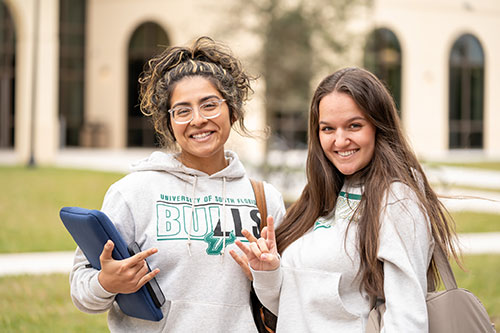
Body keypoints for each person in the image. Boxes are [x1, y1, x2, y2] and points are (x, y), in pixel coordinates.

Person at [69, 36, 285, 332]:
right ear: (169, 122)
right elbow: (82, 293)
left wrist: (270, 277)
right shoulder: (133, 192)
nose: (197, 119)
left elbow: (288, 299)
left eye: (209, 105)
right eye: (182, 110)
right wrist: (107, 282)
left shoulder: (265, 199)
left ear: (232, 110)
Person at [235, 67, 461, 332]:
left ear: (378, 126)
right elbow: (294, 308)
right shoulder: (320, 194)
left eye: (354, 125)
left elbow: (407, 319)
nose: (340, 141)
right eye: (327, 128)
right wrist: (268, 273)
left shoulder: (397, 199)